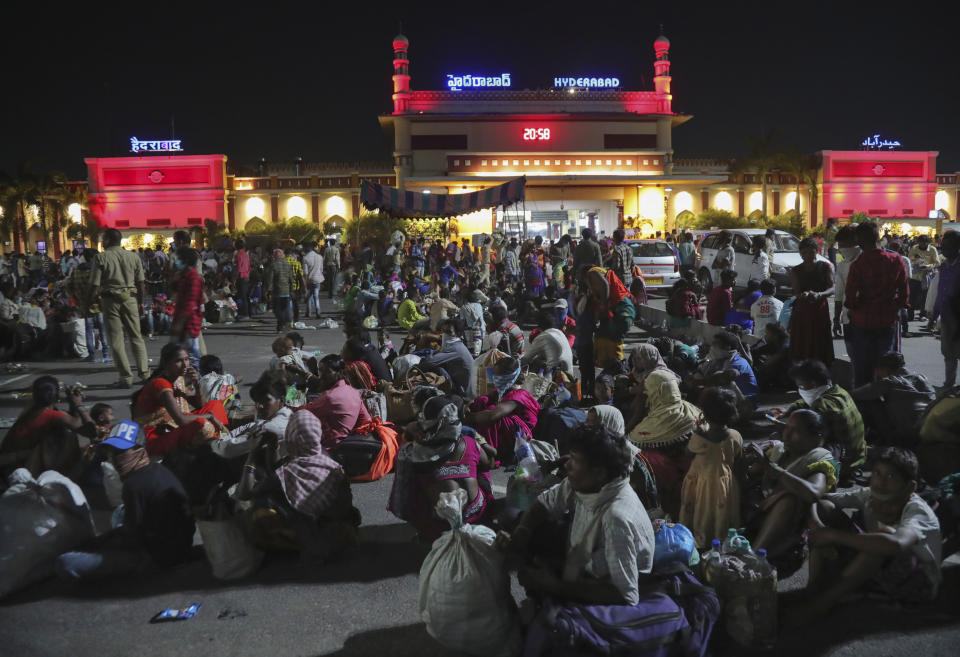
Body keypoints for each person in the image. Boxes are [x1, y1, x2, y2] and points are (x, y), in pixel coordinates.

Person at [498, 424, 655, 606]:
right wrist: (521, 534)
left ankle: (548, 598)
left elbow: (625, 595)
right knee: (515, 519)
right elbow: (543, 504)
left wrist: (555, 586)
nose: (566, 464)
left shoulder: (616, 518)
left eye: (574, 459)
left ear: (599, 472)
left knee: (548, 609)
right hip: (588, 557)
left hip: (607, 583)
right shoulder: (589, 482)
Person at [802, 448, 941, 622]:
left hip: (914, 582)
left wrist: (832, 536)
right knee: (825, 509)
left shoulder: (917, 510)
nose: (880, 481)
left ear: (910, 486)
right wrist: (818, 526)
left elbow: (896, 544)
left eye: (890, 477)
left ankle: (823, 602)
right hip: (879, 568)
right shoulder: (870, 494)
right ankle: (813, 588)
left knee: (884, 538)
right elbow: (818, 499)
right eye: (877, 473)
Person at [55, 427, 195, 583]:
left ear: (139, 451)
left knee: (66, 562)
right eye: (113, 453)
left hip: (159, 558)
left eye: (121, 452)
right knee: (120, 512)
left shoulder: (134, 484)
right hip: (181, 545)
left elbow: (132, 538)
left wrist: (101, 543)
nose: (115, 459)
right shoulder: (156, 468)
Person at [238, 409, 358, 561]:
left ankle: (288, 547)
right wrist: (273, 447)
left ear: (291, 437)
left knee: (259, 505)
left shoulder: (288, 471)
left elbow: (245, 493)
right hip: (342, 533)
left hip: (312, 539)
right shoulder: (332, 464)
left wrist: (252, 455)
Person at [388, 395, 493, 542]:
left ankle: (427, 531)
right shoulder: (470, 442)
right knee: (481, 467)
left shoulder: (410, 453)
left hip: (441, 525)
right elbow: (488, 463)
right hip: (476, 514)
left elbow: (401, 500)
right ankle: (481, 516)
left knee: (412, 483)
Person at [745, 409, 837, 567]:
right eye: (787, 428)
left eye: (796, 431)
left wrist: (773, 469)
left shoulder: (818, 458)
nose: (786, 435)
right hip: (758, 509)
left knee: (790, 499)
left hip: (782, 519)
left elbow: (813, 493)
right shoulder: (780, 451)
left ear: (816, 438)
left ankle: (752, 557)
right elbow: (752, 472)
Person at [773, 359, 865, 482]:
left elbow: (810, 439)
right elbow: (805, 402)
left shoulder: (821, 406)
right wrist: (788, 409)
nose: (800, 390)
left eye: (801, 386)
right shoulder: (838, 391)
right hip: (858, 457)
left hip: (845, 463)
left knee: (779, 440)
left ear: (813, 384)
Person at [133, 342, 229, 458]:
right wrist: (210, 416)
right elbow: (181, 420)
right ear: (166, 363)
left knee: (215, 405)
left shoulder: (178, 379)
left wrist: (197, 384)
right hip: (156, 437)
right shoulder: (160, 384)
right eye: (179, 361)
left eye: (187, 359)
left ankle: (213, 437)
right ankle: (212, 443)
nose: (185, 365)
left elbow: (200, 405)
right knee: (202, 424)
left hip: (175, 427)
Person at [626, 370, 700, 517]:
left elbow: (628, 438)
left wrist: (637, 414)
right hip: (699, 480)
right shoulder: (692, 410)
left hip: (671, 486)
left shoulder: (652, 425)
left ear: (654, 392)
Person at [845, 221, 909, 385]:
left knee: (862, 368)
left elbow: (851, 297)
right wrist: (896, 306)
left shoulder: (857, 265)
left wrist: (854, 308)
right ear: (878, 237)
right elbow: (904, 291)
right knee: (887, 367)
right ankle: (888, 402)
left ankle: (864, 403)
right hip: (887, 319)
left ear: (859, 240)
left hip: (863, 321)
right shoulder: (896, 260)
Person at [680, 387, 742, 549]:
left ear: (704, 414)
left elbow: (687, 453)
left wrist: (697, 431)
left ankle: (700, 541)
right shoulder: (735, 436)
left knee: (701, 512)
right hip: (725, 482)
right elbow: (737, 456)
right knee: (720, 513)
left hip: (701, 482)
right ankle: (720, 540)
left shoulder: (698, 439)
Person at [90, 228, 149, 389]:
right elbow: (141, 284)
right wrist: (140, 302)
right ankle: (144, 373)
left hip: (110, 301)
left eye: (103, 239)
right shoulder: (133, 257)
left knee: (116, 340)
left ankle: (126, 377)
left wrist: (91, 301)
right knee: (136, 337)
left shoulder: (100, 258)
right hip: (130, 299)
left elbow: (95, 286)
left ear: (108, 240)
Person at [0, 376, 91, 478]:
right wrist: (78, 404)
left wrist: (72, 404)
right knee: (68, 435)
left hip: (8, 461)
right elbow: (85, 429)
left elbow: (71, 420)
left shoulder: (33, 409)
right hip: (16, 466)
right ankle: (64, 472)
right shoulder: (52, 415)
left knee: (63, 430)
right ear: (57, 397)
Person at [851, 352, 935, 446]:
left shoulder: (889, 382)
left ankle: (863, 439)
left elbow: (855, 394)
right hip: (929, 432)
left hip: (905, 437)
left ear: (885, 369)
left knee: (871, 401)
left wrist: (876, 381)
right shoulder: (922, 378)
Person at [466, 356, 540, 462]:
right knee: (481, 401)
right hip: (507, 432)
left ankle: (490, 453)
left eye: (498, 375)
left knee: (492, 414)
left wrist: (468, 417)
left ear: (509, 377)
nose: (495, 378)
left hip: (520, 437)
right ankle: (475, 442)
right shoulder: (503, 391)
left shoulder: (519, 395)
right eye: (494, 375)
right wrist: (469, 406)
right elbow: (480, 401)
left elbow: (492, 415)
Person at [209, 372, 293, 459]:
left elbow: (228, 449)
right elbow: (251, 426)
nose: (259, 406)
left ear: (282, 400)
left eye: (266, 400)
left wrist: (213, 444)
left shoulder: (272, 427)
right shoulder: (284, 414)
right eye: (258, 401)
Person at [303, 354, 371, 449]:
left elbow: (305, 411)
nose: (322, 376)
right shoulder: (354, 392)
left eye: (327, 372)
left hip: (332, 448)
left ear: (338, 373)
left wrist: (285, 408)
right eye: (321, 371)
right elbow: (366, 420)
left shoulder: (330, 397)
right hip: (351, 444)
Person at [790, 237, 835, 366]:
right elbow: (796, 291)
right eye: (804, 253)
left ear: (817, 251)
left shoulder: (826, 266)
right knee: (803, 343)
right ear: (800, 253)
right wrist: (803, 295)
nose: (807, 256)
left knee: (820, 342)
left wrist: (820, 294)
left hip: (820, 309)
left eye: (810, 252)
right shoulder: (796, 270)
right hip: (802, 311)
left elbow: (832, 288)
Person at [584, 266, 636, 368]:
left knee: (612, 337)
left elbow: (605, 285)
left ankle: (617, 367)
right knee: (602, 336)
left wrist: (603, 306)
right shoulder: (593, 286)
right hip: (615, 312)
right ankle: (610, 368)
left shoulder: (592, 273)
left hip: (623, 310)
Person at [67, 248, 110, 363]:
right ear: (93, 258)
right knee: (102, 329)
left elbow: (69, 285)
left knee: (88, 330)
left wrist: (77, 298)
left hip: (84, 304)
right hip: (98, 304)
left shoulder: (76, 270)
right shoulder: (97, 270)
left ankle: (92, 355)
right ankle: (105, 354)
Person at [933, 230, 960, 387]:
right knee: (948, 354)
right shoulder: (944, 267)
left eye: (947, 246)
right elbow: (940, 291)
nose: (943, 248)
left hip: (958, 316)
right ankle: (948, 385)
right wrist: (934, 314)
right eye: (942, 245)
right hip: (947, 317)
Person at [171, 247, 204, 368]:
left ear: (185, 261)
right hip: (182, 320)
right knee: (182, 351)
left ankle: (198, 378)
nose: (176, 261)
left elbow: (191, 303)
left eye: (179, 259)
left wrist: (180, 322)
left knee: (192, 353)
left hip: (189, 322)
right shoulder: (184, 276)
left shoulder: (193, 278)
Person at [832, 225, 860, 340]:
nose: (842, 249)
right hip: (848, 319)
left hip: (869, 319)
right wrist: (836, 319)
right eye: (840, 246)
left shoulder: (867, 261)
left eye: (845, 245)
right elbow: (838, 295)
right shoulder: (842, 265)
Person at [907, 234, 939, 323]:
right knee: (912, 297)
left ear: (927, 243)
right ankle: (910, 315)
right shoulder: (914, 248)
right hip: (915, 276)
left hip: (926, 277)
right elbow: (909, 259)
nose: (921, 244)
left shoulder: (933, 249)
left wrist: (928, 266)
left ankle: (922, 315)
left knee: (924, 297)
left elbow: (937, 263)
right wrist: (916, 261)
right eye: (920, 242)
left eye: (923, 243)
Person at [752, 323, 791, 391]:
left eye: (767, 333)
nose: (765, 336)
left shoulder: (785, 343)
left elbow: (778, 356)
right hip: (781, 374)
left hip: (788, 377)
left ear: (775, 335)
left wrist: (761, 367)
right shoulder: (774, 342)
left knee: (765, 369)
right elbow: (757, 350)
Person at [269, 248, 294, 332]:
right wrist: (292, 290)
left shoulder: (273, 265)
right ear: (282, 255)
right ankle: (284, 324)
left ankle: (281, 324)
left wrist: (268, 291)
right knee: (284, 308)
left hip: (277, 291)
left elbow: (270, 279)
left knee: (277, 310)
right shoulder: (288, 265)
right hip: (286, 291)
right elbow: (291, 279)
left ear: (275, 256)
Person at [459, 289, 486, 357]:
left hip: (472, 332)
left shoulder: (464, 307)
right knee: (478, 350)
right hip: (482, 330)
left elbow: (462, 321)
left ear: (466, 299)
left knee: (471, 350)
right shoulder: (479, 305)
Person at [302, 241, 325, 319]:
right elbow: (321, 269)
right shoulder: (320, 257)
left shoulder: (305, 258)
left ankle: (310, 312)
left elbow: (305, 272)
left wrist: (305, 283)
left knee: (311, 295)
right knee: (315, 295)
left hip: (310, 279)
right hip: (318, 278)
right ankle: (317, 311)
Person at [235, 238, 251, 319]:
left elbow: (238, 268)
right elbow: (249, 266)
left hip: (241, 276)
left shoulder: (238, 255)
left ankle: (244, 314)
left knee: (241, 296)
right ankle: (247, 313)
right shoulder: (246, 254)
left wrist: (234, 278)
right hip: (247, 276)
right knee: (245, 296)